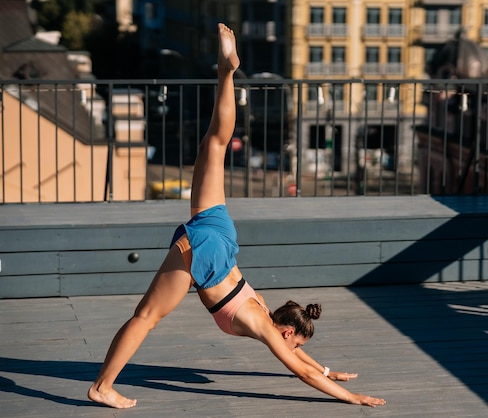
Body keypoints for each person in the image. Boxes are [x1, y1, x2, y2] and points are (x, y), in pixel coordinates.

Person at [87, 23, 386, 409]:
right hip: (212, 251)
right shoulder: (263, 324)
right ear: (286, 330)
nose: (293, 348)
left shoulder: (265, 307)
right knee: (145, 317)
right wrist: (352, 397)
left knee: (216, 141)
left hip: (222, 235)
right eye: (295, 341)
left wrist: (329, 371)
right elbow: (300, 369)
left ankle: (226, 71)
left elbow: (303, 358)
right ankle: (102, 386)